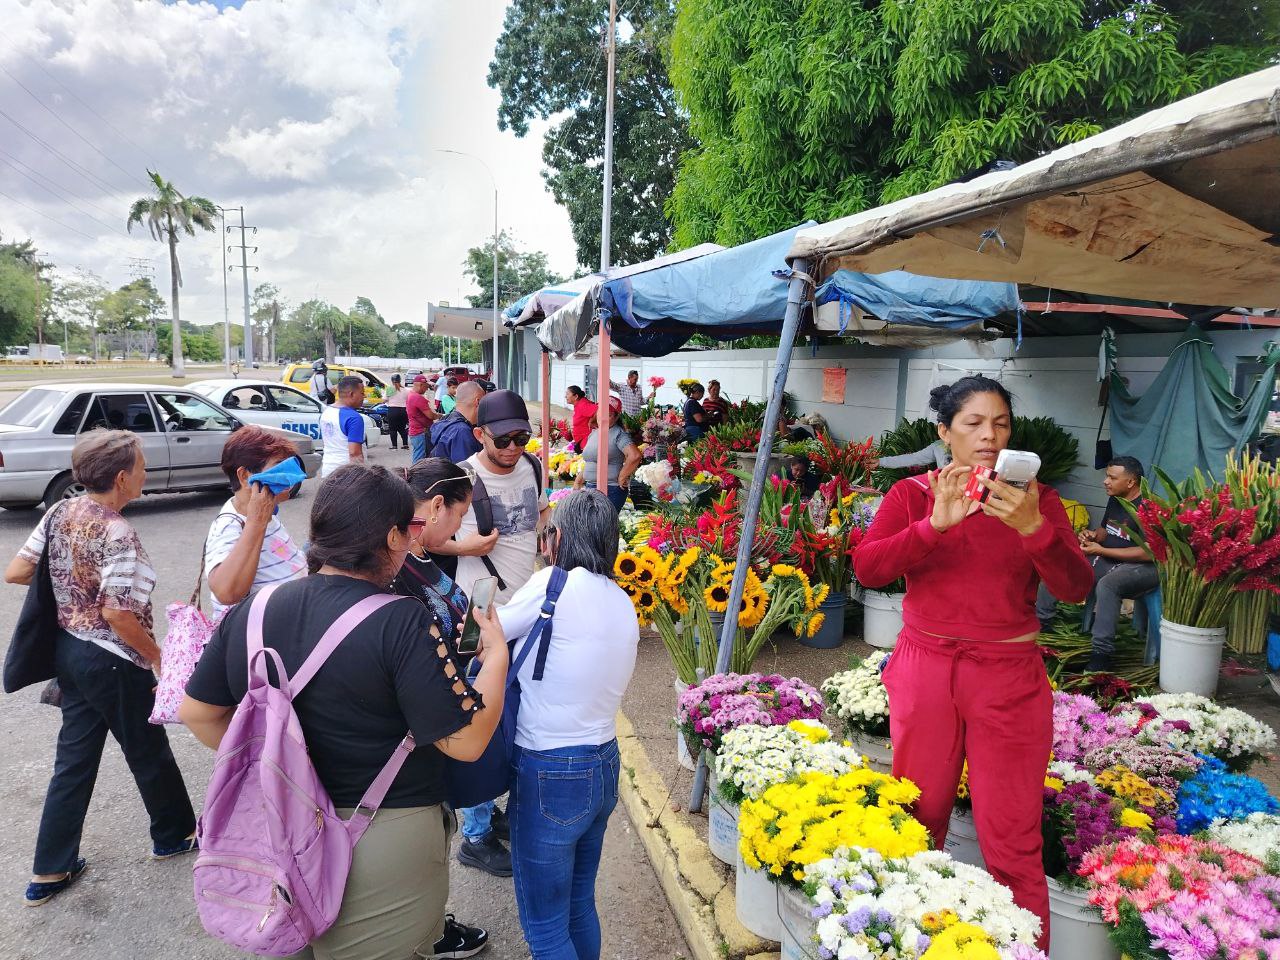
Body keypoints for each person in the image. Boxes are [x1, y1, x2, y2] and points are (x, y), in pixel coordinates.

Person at [180, 464, 509, 960]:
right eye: (411, 529)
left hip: (279, 820)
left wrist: (285, 761)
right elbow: (465, 741)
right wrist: (497, 658)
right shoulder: (400, 619)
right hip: (380, 832)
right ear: (394, 536)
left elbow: (199, 714)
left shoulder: (257, 608)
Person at [852, 376, 1093, 952]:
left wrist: (1033, 529)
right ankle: (908, 938)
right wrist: (934, 526)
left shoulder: (1037, 500)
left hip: (1008, 675)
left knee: (1011, 833)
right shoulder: (914, 495)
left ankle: (1024, 948)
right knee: (917, 814)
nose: (989, 435)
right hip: (927, 667)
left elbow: (1077, 587)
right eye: (974, 423)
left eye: (1001, 423)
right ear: (945, 433)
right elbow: (868, 569)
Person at [5, 430, 197, 907]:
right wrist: (157, 656)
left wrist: (69, 578)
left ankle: (50, 868)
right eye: (141, 466)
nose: (145, 473)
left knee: (72, 760)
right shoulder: (116, 530)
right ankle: (173, 836)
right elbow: (116, 613)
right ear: (120, 477)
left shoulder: (58, 512)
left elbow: (18, 571)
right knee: (148, 749)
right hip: (111, 658)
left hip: (69, 652)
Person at [499, 490, 639, 960]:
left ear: (556, 537)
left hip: (550, 769)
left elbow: (487, 628)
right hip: (603, 764)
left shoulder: (552, 585)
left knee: (545, 927)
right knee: (579, 907)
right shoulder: (622, 600)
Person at [388, 458, 497, 960]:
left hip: (433, 723)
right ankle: (418, 935)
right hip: (411, 736)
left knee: (433, 841)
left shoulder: (419, 558)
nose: (460, 530)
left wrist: (462, 638)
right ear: (435, 506)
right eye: (459, 516)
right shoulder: (391, 568)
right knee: (414, 852)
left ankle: (429, 926)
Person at [438, 389, 548, 876]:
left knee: (512, 717)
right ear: (480, 434)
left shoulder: (534, 467)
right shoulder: (460, 475)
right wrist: (468, 547)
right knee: (476, 714)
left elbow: (538, 518)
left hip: (526, 607)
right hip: (479, 613)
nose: (514, 448)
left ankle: (489, 809)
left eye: (523, 437)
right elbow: (426, 537)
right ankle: (475, 833)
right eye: (504, 439)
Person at [1036, 456, 1158, 671]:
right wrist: (1093, 536)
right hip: (1109, 558)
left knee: (1108, 585)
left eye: (1112, 477)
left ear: (1131, 482)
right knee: (1062, 562)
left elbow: (1149, 552)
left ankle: (1102, 654)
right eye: (1106, 476)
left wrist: (1101, 550)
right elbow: (1107, 530)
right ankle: (1041, 623)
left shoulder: (1148, 507)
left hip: (1142, 568)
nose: (1105, 481)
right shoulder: (1116, 498)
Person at [205, 427, 308, 620]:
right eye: (278, 465)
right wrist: (256, 522)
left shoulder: (268, 511)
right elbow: (226, 592)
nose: (289, 473)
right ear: (245, 476)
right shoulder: (231, 524)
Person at [576, 395, 642, 511]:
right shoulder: (595, 433)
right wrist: (578, 482)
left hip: (610, 489)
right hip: (591, 487)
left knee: (602, 527)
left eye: (609, 414)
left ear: (616, 417)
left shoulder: (619, 434)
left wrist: (622, 476)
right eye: (601, 412)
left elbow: (635, 455)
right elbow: (591, 461)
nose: (603, 417)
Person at [319, 375, 366, 477]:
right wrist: (361, 478)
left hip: (328, 470)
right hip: (346, 476)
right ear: (352, 394)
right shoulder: (354, 418)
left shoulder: (326, 412)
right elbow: (354, 454)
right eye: (362, 393)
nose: (364, 396)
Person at [430, 380, 485, 464]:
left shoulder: (446, 419)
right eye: (484, 402)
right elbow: (466, 471)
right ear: (477, 402)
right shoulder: (462, 431)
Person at [407, 374, 437, 463]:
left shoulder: (411, 395)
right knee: (419, 458)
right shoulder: (417, 398)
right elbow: (431, 415)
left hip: (415, 431)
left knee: (419, 455)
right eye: (426, 386)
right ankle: (415, 475)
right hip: (420, 432)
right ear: (420, 385)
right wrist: (440, 415)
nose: (427, 389)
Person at [565, 386, 597, 453]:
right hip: (581, 442)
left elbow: (599, 409)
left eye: (567, 394)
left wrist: (592, 421)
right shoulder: (578, 404)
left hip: (587, 444)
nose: (565, 396)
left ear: (576, 396)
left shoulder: (582, 405)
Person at [384, 373, 409, 451]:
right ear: (400, 380)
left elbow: (384, 400)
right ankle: (405, 445)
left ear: (392, 381)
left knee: (392, 429)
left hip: (393, 410)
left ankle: (394, 446)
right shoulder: (406, 390)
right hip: (403, 411)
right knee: (403, 428)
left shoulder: (390, 389)